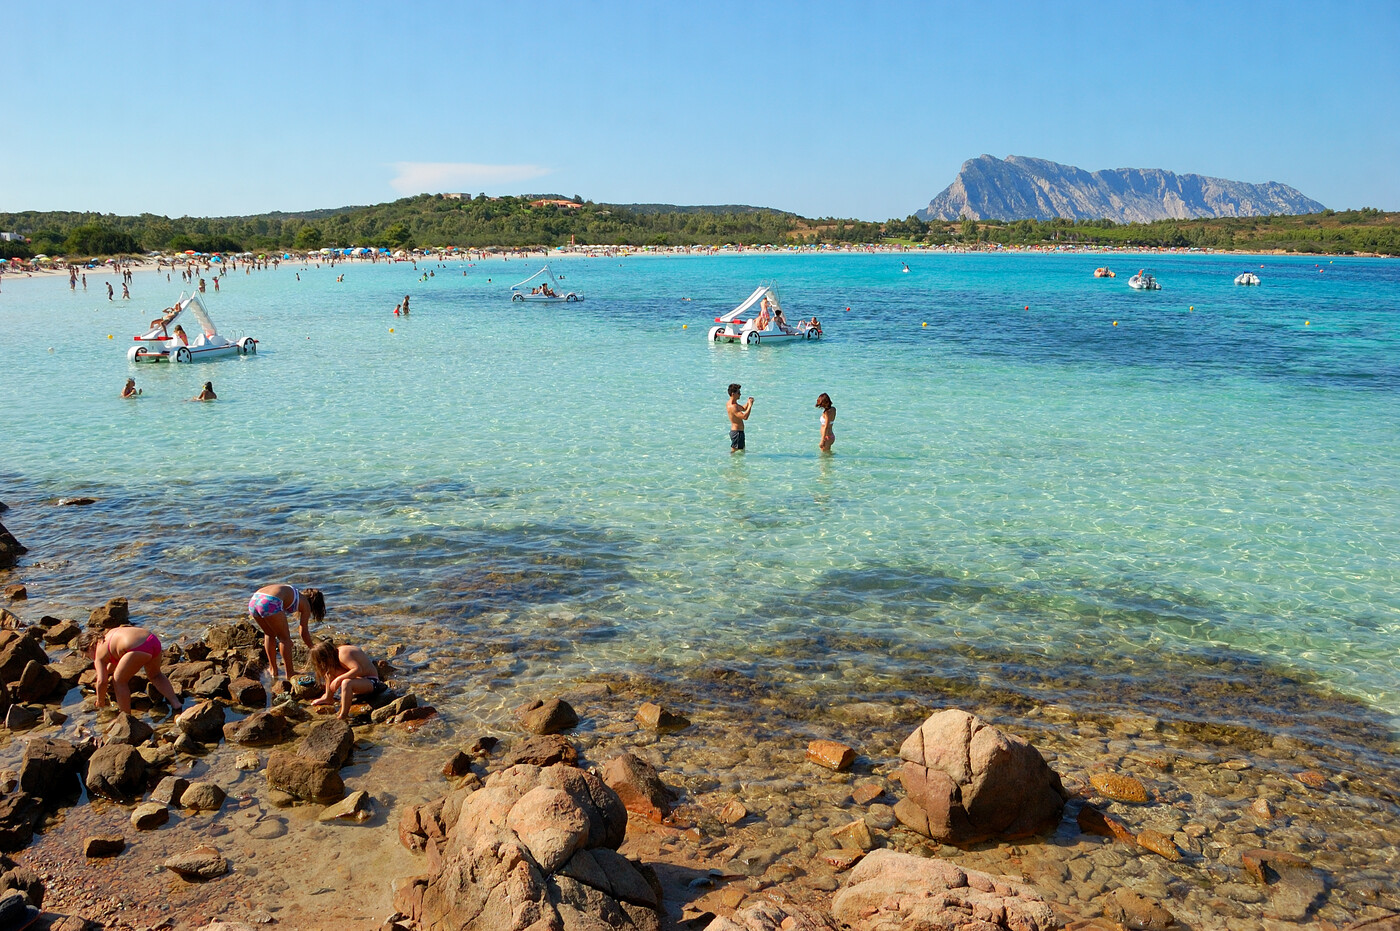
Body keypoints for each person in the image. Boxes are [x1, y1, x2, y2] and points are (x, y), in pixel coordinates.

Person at [76, 626, 183, 715]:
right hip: (152, 640)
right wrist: (105, 672)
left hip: (137, 649)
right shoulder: (109, 636)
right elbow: (115, 660)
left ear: (90, 647)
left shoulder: (98, 654)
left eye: (88, 656)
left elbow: (102, 681)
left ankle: (125, 716)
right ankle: (175, 703)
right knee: (155, 675)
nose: (91, 658)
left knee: (119, 681)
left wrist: (100, 701)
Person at [248, 584, 326, 679]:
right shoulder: (306, 604)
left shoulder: (294, 593)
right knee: (284, 639)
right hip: (270, 601)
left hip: (254, 599)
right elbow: (303, 632)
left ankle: (273, 670)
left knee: (269, 634)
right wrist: (313, 648)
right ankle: (290, 673)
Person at [309, 641, 384, 721]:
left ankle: (343, 715)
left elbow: (358, 670)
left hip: (371, 681)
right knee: (329, 671)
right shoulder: (336, 654)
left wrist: (338, 679)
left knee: (347, 683)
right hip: (359, 680)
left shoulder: (343, 654)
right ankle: (328, 697)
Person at [727, 383, 753, 452]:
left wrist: (748, 403)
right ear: (733, 394)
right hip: (737, 432)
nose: (740, 394)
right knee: (736, 452)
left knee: (739, 452)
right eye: (738, 393)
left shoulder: (732, 404)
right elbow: (745, 417)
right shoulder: (733, 407)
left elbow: (743, 408)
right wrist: (750, 405)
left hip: (737, 432)